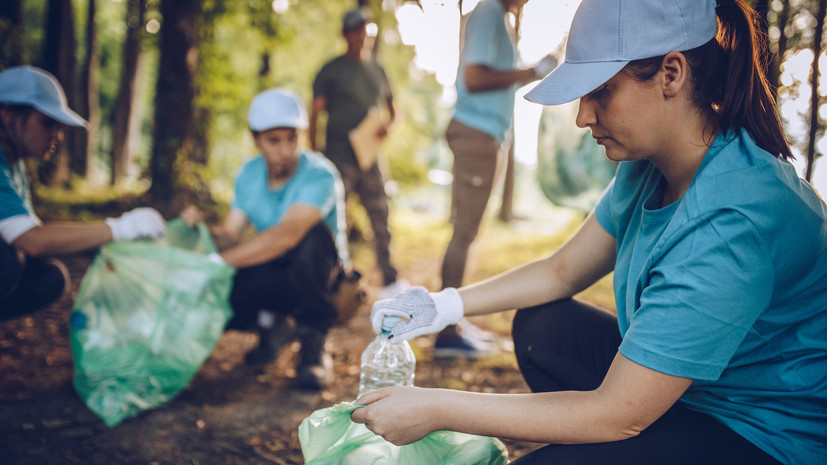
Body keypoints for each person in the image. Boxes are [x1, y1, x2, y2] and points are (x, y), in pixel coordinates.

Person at [352, 1, 827, 464]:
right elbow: (560, 271)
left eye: (601, 90)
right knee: (543, 326)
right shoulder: (645, 167)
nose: (583, 116)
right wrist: (441, 306)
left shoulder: (733, 217)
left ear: (671, 74)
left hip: (765, 433)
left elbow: (616, 414)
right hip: (695, 394)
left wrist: (436, 408)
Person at [181, 88, 349, 390]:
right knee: (233, 279)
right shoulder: (249, 173)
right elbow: (230, 234)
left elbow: (288, 235)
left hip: (324, 280)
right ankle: (271, 327)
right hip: (278, 273)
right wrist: (201, 231)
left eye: (292, 138)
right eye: (274, 140)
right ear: (255, 138)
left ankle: (313, 346)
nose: (286, 150)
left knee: (312, 237)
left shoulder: (320, 174)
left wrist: (216, 263)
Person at [434, 0, 556, 358]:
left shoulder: (498, 16)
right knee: (463, 234)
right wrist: (531, 72)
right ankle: (446, 332)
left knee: (468, 233)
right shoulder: (489, 11)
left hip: (485, 133)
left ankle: (453, 321)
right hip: (477, 131)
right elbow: (475, 78)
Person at [0, 65, 166, 320]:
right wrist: (120, 228)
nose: (57, 136)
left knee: (50, 277)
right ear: (6, 113)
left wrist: (108, 245)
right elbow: (32, 241)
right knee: (8, 261)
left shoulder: (15, 166)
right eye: (47, 123)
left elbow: (33, 231)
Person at [309, 8, 408, 300]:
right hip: (338, 157)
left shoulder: (377, 70)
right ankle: (329, 279)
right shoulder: (331, 70)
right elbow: (314, 114)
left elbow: (394, 110)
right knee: (332, 220)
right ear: (345, 34)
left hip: (370, 158)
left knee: (381, 216)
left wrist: (388, 126)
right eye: (355, 30)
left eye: (365, 30)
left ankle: (389, 279)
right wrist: (315, 156)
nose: (361, 36)